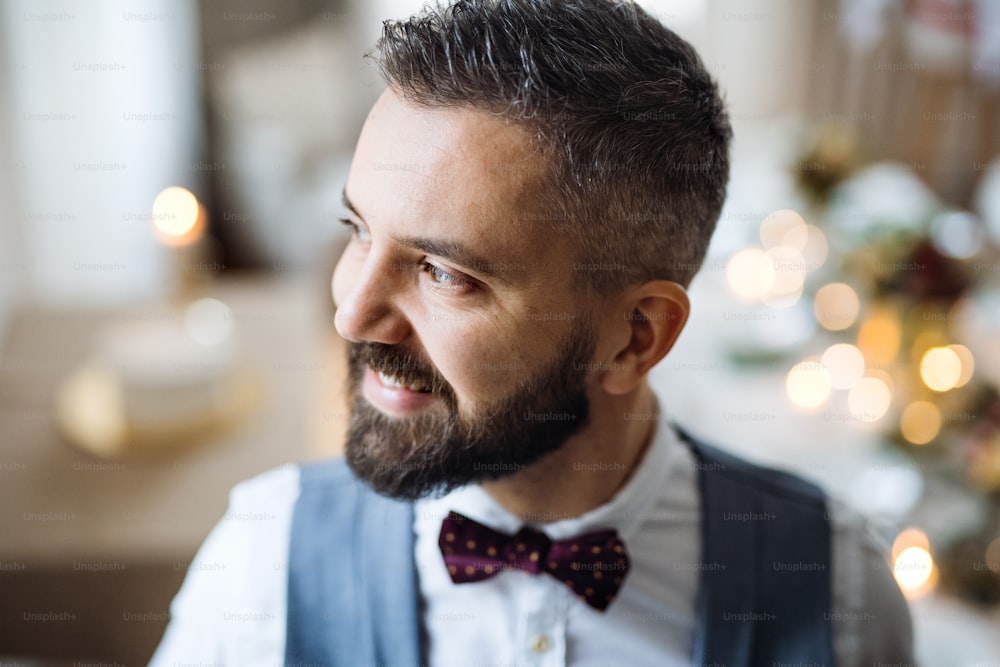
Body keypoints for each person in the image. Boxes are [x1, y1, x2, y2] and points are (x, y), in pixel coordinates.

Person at [151, 0, 915, 665]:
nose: (351, 313)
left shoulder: (839, 586)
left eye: (444, 274)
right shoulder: (263, 555)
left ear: (635, 337)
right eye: (356, 230)